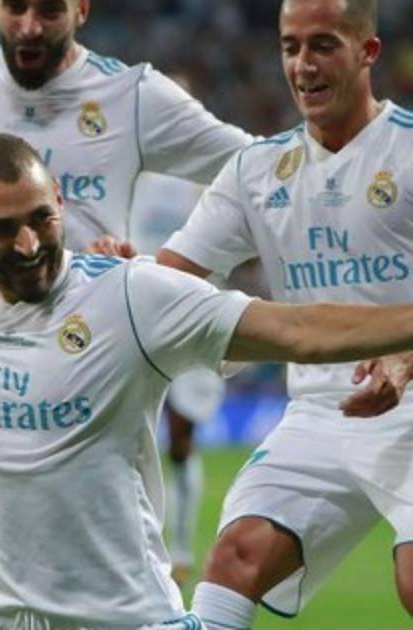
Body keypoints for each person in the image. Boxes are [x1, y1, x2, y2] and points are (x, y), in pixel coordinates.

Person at [0, 132, 413, 629]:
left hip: (124, 617)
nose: (29, 244)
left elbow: (297, 330)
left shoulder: (132, 296)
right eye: (3, 228)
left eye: (41, 218)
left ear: (60, 199)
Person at [0, 0, 255, 610]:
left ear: (82, 8)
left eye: (49, 9)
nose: (29, 26)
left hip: (89, 376)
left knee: (90, 589)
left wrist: (174, 264)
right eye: (15, 7)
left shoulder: (132, 97)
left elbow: (263, 172)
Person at [156, 0, 413, 626]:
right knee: (235, 556)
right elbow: (169, 282)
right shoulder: (257, 170)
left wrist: (405, 356)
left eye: (323, 45)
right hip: (320, 410)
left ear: (368, 52)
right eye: (290, 46)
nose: (303, 65)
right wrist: (120, 278)